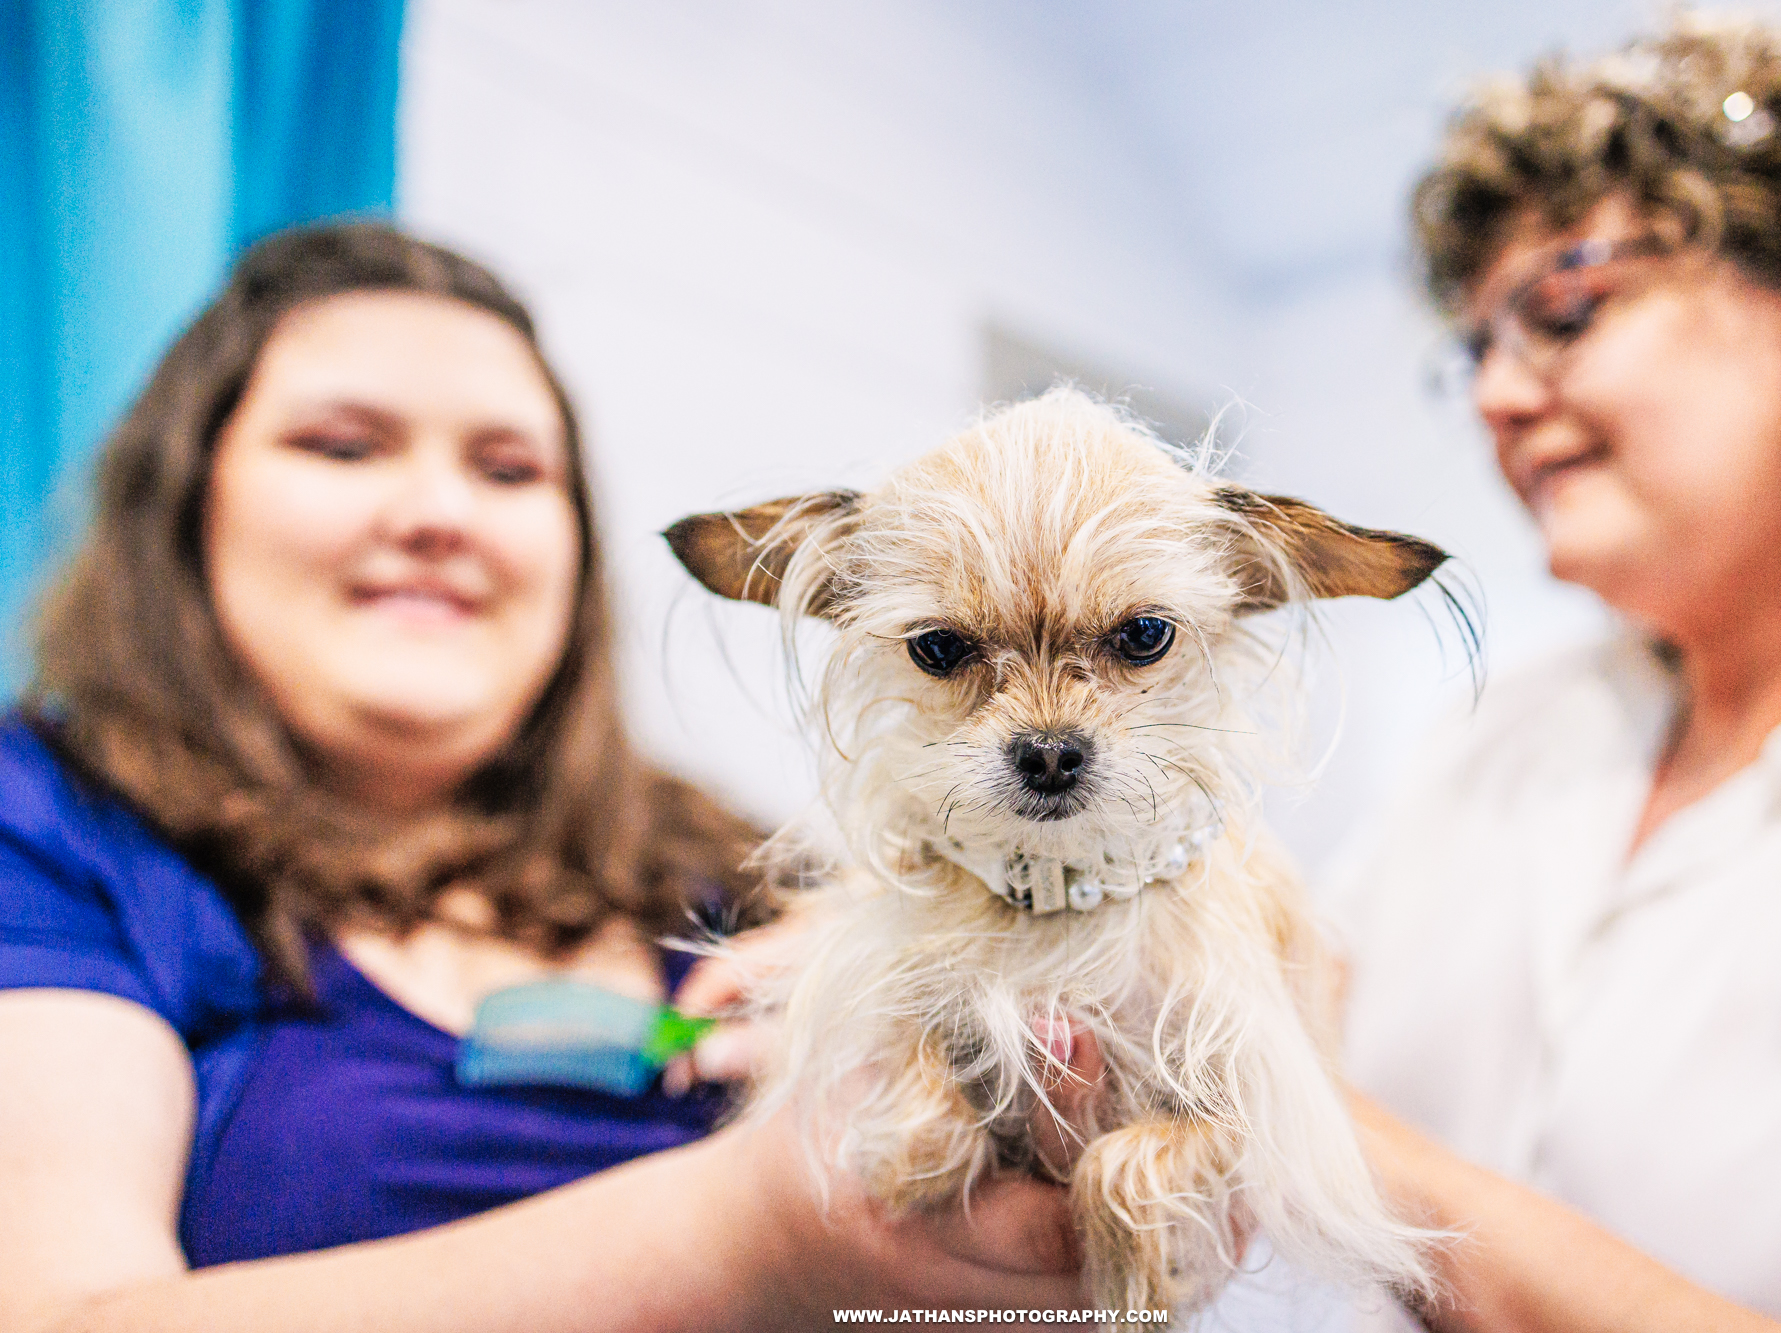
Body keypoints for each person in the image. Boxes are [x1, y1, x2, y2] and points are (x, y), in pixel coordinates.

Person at [0, 223, 1086, 1331]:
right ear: (186, 505)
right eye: (341, 445)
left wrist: (942, 1022)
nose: (437, 513)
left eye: (508, 469)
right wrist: (755, 1233)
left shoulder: (747, 870)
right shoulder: (50, 824)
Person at [1326, 14, 1781, 1332]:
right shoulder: (1499, 735)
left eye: (1565, 311)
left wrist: (1340, 1149)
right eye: (1476, 351)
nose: (1496, 400)